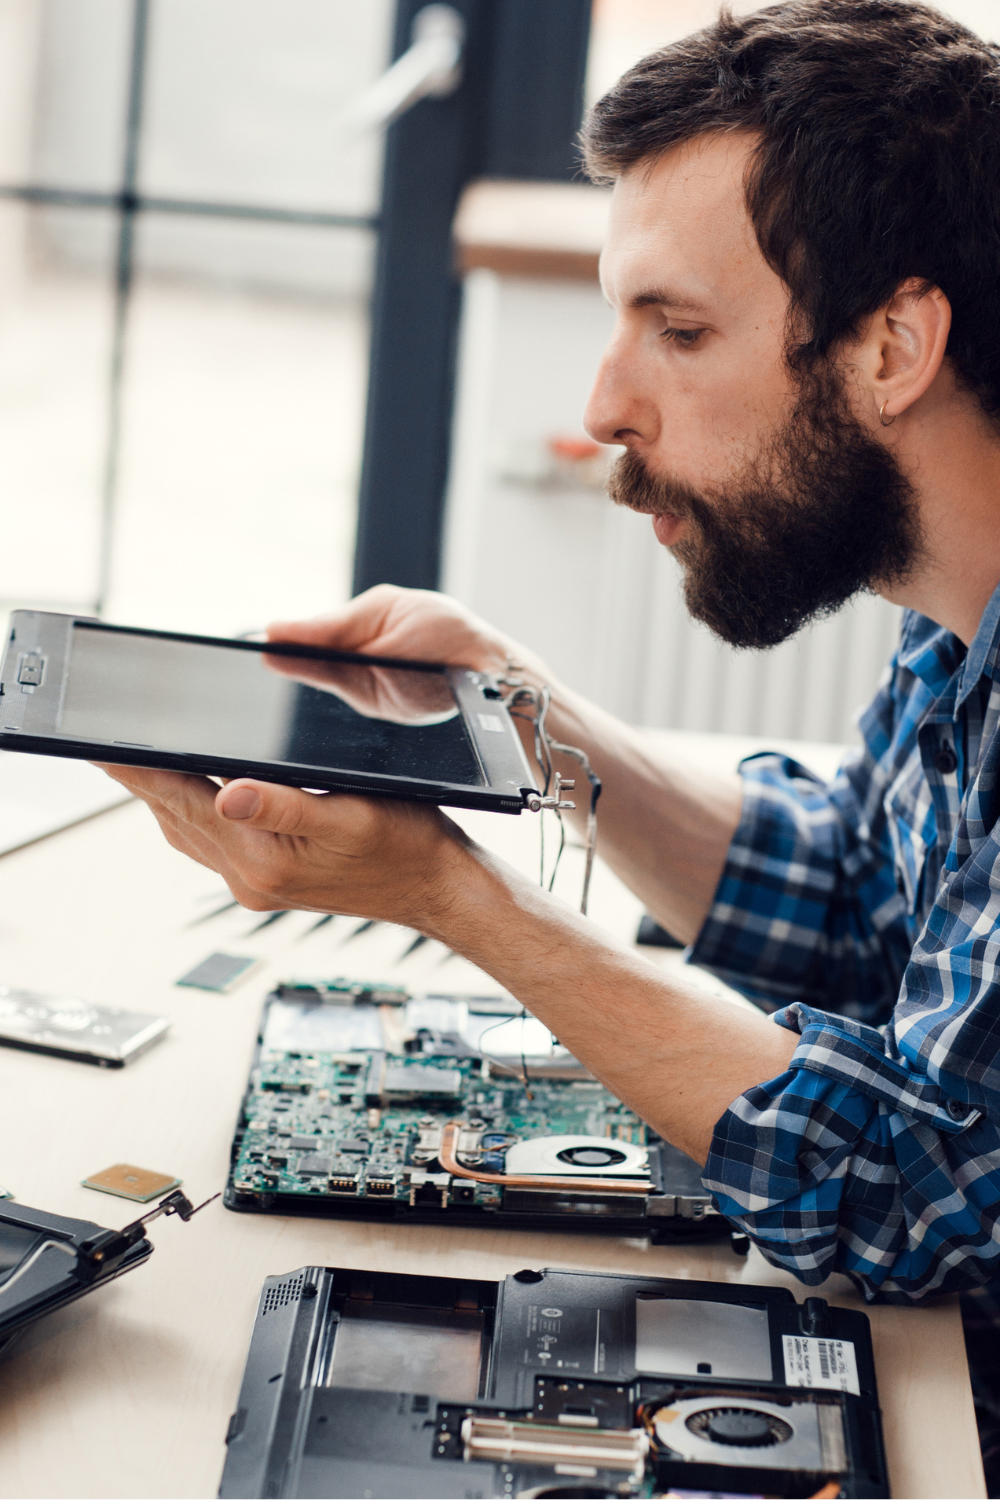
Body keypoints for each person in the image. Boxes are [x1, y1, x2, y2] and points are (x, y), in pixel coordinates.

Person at [103, 0, 1000, 1482]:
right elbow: (852, 896)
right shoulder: (955, 611)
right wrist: (526, 715)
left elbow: (912, 1188)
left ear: (894, 344)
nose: (602, 405)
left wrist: (455, 895)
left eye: (680, 329)